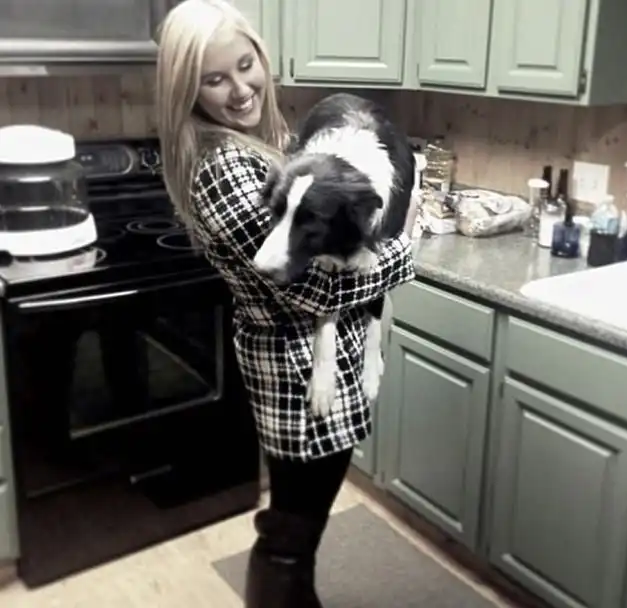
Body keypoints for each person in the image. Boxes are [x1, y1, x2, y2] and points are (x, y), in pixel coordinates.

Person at [155, 1, 417, 605]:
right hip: (297, 369)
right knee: (291, 533)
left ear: (261, 56)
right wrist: (405, 245)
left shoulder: (259, 143)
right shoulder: (225, 165)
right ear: (187, 89)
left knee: (298, 524)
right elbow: (312, 289)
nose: (240, 88)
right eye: (214, 79)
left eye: (245, 65)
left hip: (311, 362)